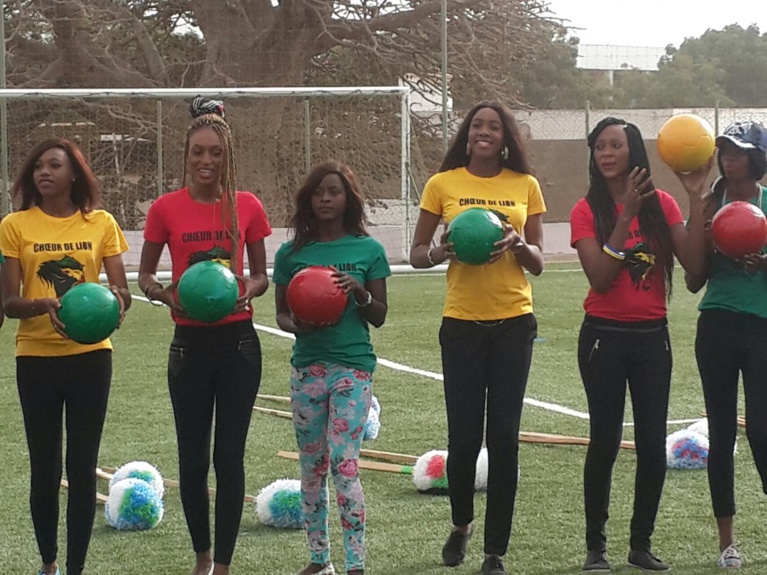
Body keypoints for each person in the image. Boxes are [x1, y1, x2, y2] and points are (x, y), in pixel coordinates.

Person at [569, 117, 711, 572]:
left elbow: (694, 269)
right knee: (605, 442)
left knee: (651, 446)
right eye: (599, 147)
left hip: (653, 339)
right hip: (603, 338)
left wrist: (693, 195)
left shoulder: (663, 204)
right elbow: (601, 277)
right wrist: (625, 213)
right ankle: (596, 549)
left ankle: (640, 545)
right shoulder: (585, 210)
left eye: (616, 145)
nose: (606, 154)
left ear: (634, 152)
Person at [409, 100, 545, 575]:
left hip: (514, 323)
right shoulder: (442, 184)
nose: (484, 132)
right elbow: (416, 254)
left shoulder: (524, 185)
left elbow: (540, 261)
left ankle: (495, 552)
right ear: (467, 135)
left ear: (505, 137)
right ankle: (462, 523)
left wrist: (518, 243)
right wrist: (445, 250)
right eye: (476, 126)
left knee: (504, 438)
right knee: (464, 439)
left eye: (493, 126)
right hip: (462, 325)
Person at [138, 97, 271, 575]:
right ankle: (202, 557)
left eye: (216, 152)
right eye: (198, 152)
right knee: (192, 460)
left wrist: (245, 290)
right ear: (186, 155)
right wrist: (166, 294)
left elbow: (261, 276)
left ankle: (226, 565)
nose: (207, 161)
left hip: (238, 344)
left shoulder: (247, 206)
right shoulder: (165, 209)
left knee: (228, 458)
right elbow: (145, 276)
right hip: (188, 346)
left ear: (227, 156)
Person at [0, 137, 131, 575]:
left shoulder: (102, 223)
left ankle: (76, 568)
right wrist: (43, 305)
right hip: (35, 356)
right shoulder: (15, 225)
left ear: (74, 174)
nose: (44, 172)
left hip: (90, 358)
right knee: (45, 469)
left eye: (54, 165)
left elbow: (120, 291)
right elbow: (8, 302)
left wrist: (114, 305)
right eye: (38, 166)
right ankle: (49, 563)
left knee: (81, 467)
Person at [273, 160, 390, 575]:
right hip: (308, 370)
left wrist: (357, 290)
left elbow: (379, 315)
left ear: (348, 199)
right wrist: (299, 323)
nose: (326, 198)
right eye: (319, 191)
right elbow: (282, 315)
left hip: (353, 370)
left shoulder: (368, 250)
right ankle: (319, 560)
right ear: (309, 198)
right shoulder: (291, 254)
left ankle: (356, 563)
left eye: (334, 191)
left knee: (344, 464)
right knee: (312, 467)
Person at [684, 120, 767, 570]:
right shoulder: (710, 204)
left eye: (739, 150)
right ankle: (727, 542)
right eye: (724, 150)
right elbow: (694, 279)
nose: (729, 157)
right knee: (721, 434)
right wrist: (702, 225)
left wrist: (764, 263)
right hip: (716, 325)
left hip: (762, 329)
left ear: (757, 158)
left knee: (762, 430)